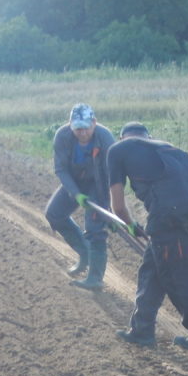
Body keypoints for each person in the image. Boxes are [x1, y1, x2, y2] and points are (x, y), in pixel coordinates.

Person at [106, 122, 188, 351]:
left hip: (167, 217)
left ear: (122, 138)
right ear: (148, 137)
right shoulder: (173, 150)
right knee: (152, 272)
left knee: (179, 279)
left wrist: (129, 224)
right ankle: (142, 330)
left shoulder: (117, 150)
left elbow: (117, 207)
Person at [45, 103, 116, 290]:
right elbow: (60, 168)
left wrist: (110, 208)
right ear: (70, 125)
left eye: (85, 128)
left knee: (95, 229)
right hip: (74, 182)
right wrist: (76, 194)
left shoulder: (105, 138)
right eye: (77, 129)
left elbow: (113, 175)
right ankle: (84, 253)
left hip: (98, 184)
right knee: (54, 214)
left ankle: (95, 278)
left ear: (94, 122)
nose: (82, 132)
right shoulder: (63, 136)